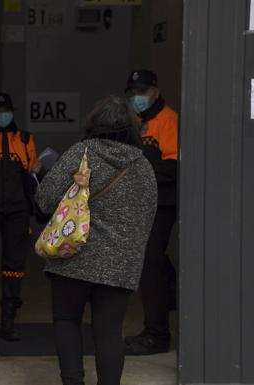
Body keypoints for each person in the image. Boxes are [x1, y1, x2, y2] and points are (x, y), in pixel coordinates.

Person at [35, 95, 157, 385]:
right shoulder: (142, 166)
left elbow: (45, 199)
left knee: (67, 321)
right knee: (110, 329)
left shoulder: (82, 152)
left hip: (72, 257)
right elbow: (149, 215)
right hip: (119, 266)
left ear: (95, 123)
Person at [123, 69, 179, 355]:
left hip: (162, 203)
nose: (137, 97)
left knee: (149, 263)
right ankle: (172, 293)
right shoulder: (136, 121)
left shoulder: (168, 120)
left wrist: (142, 172)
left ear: (155, 90)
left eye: (142, 91)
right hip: (141, 202)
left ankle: (157, 334)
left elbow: (174, 167)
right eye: (133, 92)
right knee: (152, 260)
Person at [0, 93, 37, 341]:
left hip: (17, 211)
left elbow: (31, 175)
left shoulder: (24, 139)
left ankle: (9, 321)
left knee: (14, 266)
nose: (3, 115)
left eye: (7, 110)